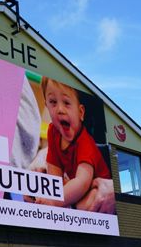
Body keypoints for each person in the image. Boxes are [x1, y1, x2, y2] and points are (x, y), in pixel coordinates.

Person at [35, 77, 111, 210]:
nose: (60, 109)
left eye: (66, 102)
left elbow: (82, 182)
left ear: (81, 112)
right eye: (53, 102)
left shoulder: (85, 142)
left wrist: (53, 201)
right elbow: (54, 172)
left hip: (94, 187)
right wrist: (51, 194)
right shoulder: (53, 131)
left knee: (87, 202)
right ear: (47, 106)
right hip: (75, 186)